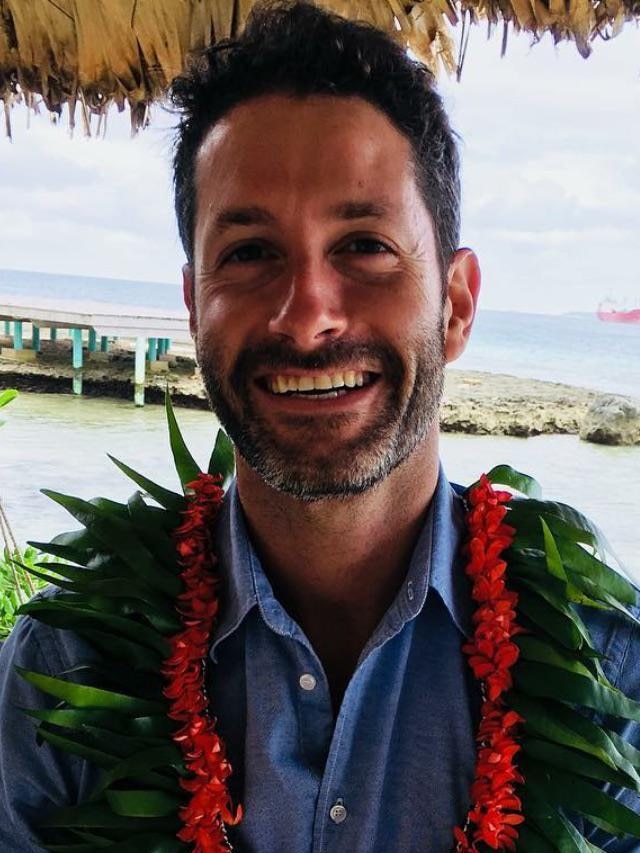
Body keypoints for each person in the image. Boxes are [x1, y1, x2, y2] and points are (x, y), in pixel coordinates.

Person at [1, 3, 639, 852]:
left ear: (455, 303)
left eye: (365, 245)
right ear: (194, 306)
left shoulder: (610, 683)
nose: (306, 319)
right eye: (251, 252)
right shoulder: (62, 671)